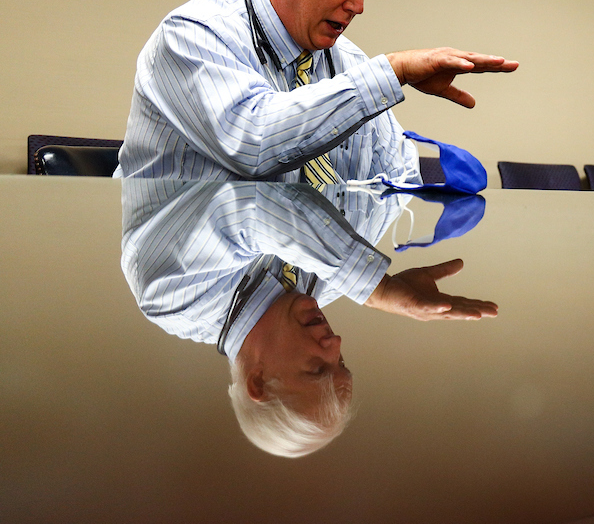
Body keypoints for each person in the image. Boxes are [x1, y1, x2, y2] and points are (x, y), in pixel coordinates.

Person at [116, 0, 517, 181]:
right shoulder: (193, 35)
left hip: (299, 279)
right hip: (188, 283)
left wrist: (374, 287)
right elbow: (254, 145)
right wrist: (392, 71)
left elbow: (397, 175)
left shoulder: (349, 63)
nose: (358, 6)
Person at [122, 179, 496, 457]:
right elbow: (391, 166)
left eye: (317, 368)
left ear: (259, 381)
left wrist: (373, 286)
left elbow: (250, 204)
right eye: (341, 363)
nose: (335, 344)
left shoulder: (173, 297)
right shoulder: (333, 282)